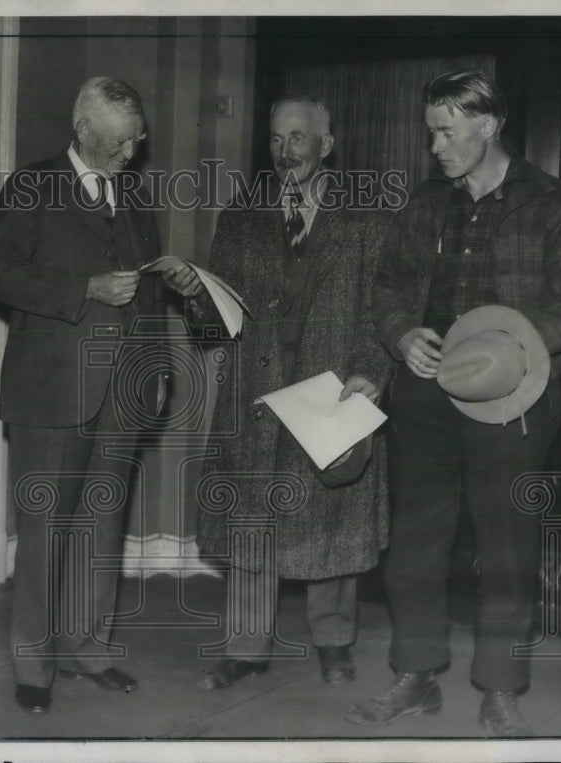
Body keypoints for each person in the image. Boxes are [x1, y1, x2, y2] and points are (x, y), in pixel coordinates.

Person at [348, 69, 561, 736]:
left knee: (508, 548)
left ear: (487, 126)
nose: (434, 145)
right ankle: (416, 672)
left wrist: (511, 348)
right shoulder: (426, 203)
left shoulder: (551, 202)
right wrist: (402, 333)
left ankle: (500, 686)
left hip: (514, 400)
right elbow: (389, 285)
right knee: (414, 545)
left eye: (445, 131)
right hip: (427, 395)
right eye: (430, 131)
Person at [0, 77, 202, 714]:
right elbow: (2, 275)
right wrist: (85, 287)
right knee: (46, 528)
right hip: (51, 388)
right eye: (116, 142)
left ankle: (90, 648)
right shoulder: (31, 186)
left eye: (135, 141)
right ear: (81, 130)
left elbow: (152, 291)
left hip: (123, 389)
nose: (128, 155)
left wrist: (157, 366)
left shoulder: (132, 193)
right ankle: (34, 664)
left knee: (103, 525)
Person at [193, 96, 393, 690]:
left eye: (299, 138)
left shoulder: (369, 217)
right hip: (256, 390)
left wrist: (371, 371)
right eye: (278, 139)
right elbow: (216, 316)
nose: (286, 152)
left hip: (332, 385)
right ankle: (245, 647)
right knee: (251, 518)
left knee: (332, 516)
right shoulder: (242, 215)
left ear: (326, 145)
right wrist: (192, 293)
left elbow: (385, 310)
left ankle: (333, 641)